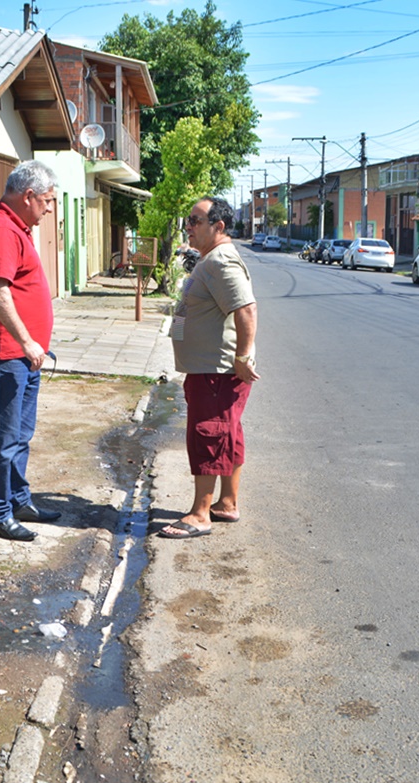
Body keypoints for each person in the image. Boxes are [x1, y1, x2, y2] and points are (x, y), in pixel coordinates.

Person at [0, 160, 62, 542]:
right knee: (2, 440)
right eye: (48, 201)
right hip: (5, 356)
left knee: (20, 435)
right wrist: (26, 341)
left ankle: (18, 499)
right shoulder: (0, 230)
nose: (50, 208)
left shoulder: (15, 226)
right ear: (28, 196)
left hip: (23, 357)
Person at [159, 196, 260, 539]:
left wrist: (243, 358)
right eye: (188, 219)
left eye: (196, 220)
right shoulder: (209, 260)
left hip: (217, 372)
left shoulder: (221, 262)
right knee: (227, 433)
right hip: (209, 369)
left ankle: (200, 513)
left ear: (218, 227)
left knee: (209, 433)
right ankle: (227, 504)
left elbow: (246, 309)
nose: (189, 226)